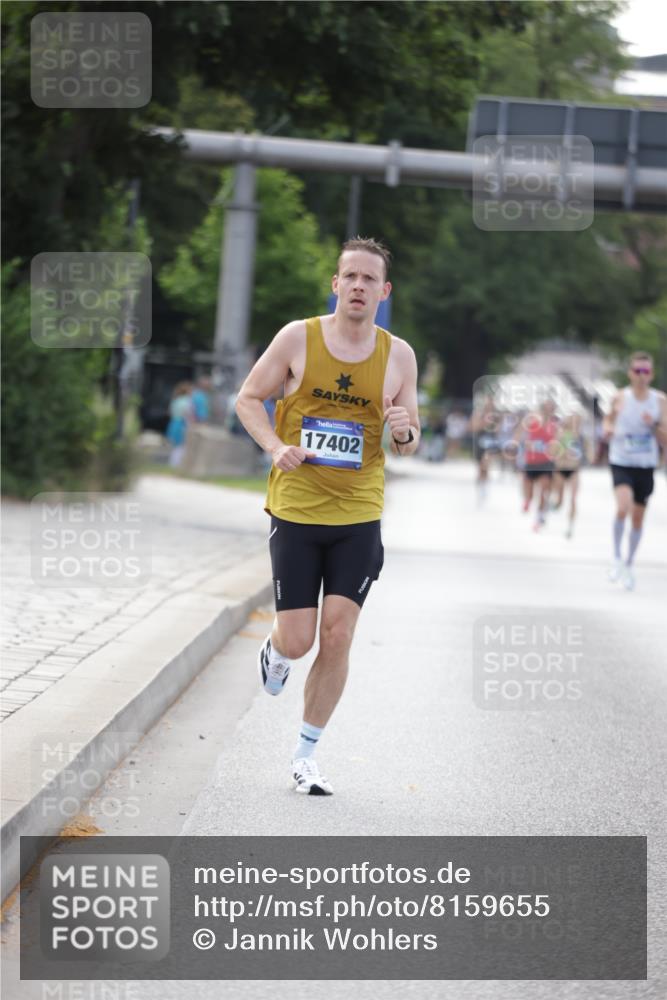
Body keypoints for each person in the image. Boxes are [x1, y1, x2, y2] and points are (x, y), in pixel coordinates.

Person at [235, 237, 420, 795]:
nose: (359, 286)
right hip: (297, 507)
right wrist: (274, 447)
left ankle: (305, 755)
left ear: (384, 292)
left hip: (359, 513)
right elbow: (248, 398)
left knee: (337, 635)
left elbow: (408, 439)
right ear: (335, 284)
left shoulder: (399, 356)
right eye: (351, 276)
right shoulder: (298, 338)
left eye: (370, 279)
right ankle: (277, 651)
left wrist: (404, 431)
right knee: (298, 641)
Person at [603, 351, 667, 590]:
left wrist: (653, 425)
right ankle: (616, 558)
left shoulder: (659, 401)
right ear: (630, 373)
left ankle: (629, 564)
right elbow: (607, 421)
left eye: (645, 371)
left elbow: (665, 437)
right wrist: (609, 428)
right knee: (623, 507)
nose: (641, 375)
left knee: (638, 518)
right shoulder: (620, 397)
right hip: (621, 460)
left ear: (651, 375)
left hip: (645, 464)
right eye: (637, 370)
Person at [517, 398, 558, 531]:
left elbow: (558, 443)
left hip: (546, 462)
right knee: (529, 493)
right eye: (546, 408)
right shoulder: (533, 423)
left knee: (544, 491)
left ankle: (539, 518)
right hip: (531, 461)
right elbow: (521, 435)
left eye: (550, 409)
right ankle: (527, 501)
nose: (548, 411)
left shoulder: (554, 426)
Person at [552, 412, 586, 539]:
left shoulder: (580, 436)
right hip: (560, 469)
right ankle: (552, 507)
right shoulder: (560, 434)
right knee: (560, 501)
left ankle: (570, 527)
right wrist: (562, 451)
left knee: (573, 499)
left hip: (574, 470)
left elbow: (586, 453)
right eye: (573, 421)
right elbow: (553, 452)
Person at [165, 381, 193, 468]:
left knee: (174, 445)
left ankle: (172, 462)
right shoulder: (187, 401)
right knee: (180, 446)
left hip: (173, 423)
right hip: (181, 424)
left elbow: (169, 412)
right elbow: (188, 414)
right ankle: (176, 464)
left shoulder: (175, 400)